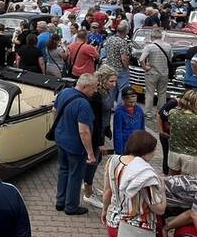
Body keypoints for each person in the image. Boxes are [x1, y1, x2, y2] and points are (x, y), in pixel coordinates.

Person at [54, 73, 97, 215]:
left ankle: (60, 201)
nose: (95, 90)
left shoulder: (64, 92)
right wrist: (90, 153)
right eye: (93, 87)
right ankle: (71, 206)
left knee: (63, 170)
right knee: (75, 175)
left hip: (61, 139)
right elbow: (83, 131)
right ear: (85, 86)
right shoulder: (83, 104)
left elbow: (54, 111)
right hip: (74, 145)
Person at [83, 66, 117, 209]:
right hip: (96, 131)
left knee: (98, 159)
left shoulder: (108, 92)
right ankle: (88, 192)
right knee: (93, 160)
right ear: (103, 80)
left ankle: (87, 184)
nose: (114, 84)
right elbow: (95, 120)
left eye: (115, 81)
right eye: (111, 81)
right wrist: (99, 141)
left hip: (102, 128)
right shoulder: (97, 96)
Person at [166, 89, 197, 176]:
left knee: (172, 178)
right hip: (192, 155)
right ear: (195, 104)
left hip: (174, 151)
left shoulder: (172, 113)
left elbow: (169, 124)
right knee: (190, 182)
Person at [139, 27, 171, 120]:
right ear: (161, 37)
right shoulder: (168, 46)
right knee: (162, 94)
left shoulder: (149, 47)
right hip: (164, 73)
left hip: (152, 73)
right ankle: (161, 113)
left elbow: (141, 59)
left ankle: (148, 113)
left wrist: (145, 67)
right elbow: (170, 58)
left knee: (149, 93)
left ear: (151, 37)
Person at [112, 86, 145, 155]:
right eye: (130, 102)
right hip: (125, 144)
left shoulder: (139, 110)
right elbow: (117, 132)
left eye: (134, 101)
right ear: (123, 99)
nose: (133, 104)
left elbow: (142, 127)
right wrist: (119, 151)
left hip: (137, 142)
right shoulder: (119, 112)